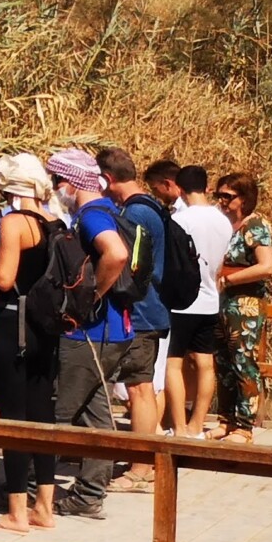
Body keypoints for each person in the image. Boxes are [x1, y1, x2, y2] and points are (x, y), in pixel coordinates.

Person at [0, 152, 64, 533]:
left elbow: (5, 278)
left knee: (13, 417)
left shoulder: (14, 222)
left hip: (13, 324)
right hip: (45, 327)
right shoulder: (57, 221)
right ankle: (44, 506)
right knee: (43, 413)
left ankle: (16, 510)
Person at [47, 147, 133, 519]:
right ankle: (89, 495)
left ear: (68, 182)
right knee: (98, 416)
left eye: (55, 181)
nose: (54, 188)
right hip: (117, 330)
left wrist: (89, 299)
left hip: (89, 334)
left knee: (57, 413)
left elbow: (115, 254)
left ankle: (32, 492)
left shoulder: (91, 216)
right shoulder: (113, 210)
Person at [155, 162, 233, 441]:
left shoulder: (180, 220)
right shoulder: (222, 220)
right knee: (205, 363)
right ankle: (197, 425)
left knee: (173, 364)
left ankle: (178, 425)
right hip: (211, 298)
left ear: (180, 187)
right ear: (206, 186)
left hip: (181, 301)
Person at [101, 147, 171, 454]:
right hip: (152, 308)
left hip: (142, 311)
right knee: (141, 387)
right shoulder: (152, 206)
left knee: (140, 388)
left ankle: (142, 466)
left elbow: (133, 266)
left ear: (107, 179)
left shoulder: (135, 213)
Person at [214, 173, 272, 442]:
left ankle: (244, 425)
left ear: (244, 199)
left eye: (228, 196)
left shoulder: (256, 226)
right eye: (219, 195)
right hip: (221, 301)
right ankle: (225, 419)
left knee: (243, 362)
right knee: (222, 362)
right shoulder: (225, 225)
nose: (222, 201)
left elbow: (266, 267)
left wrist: (228, 279)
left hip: (244, 303)